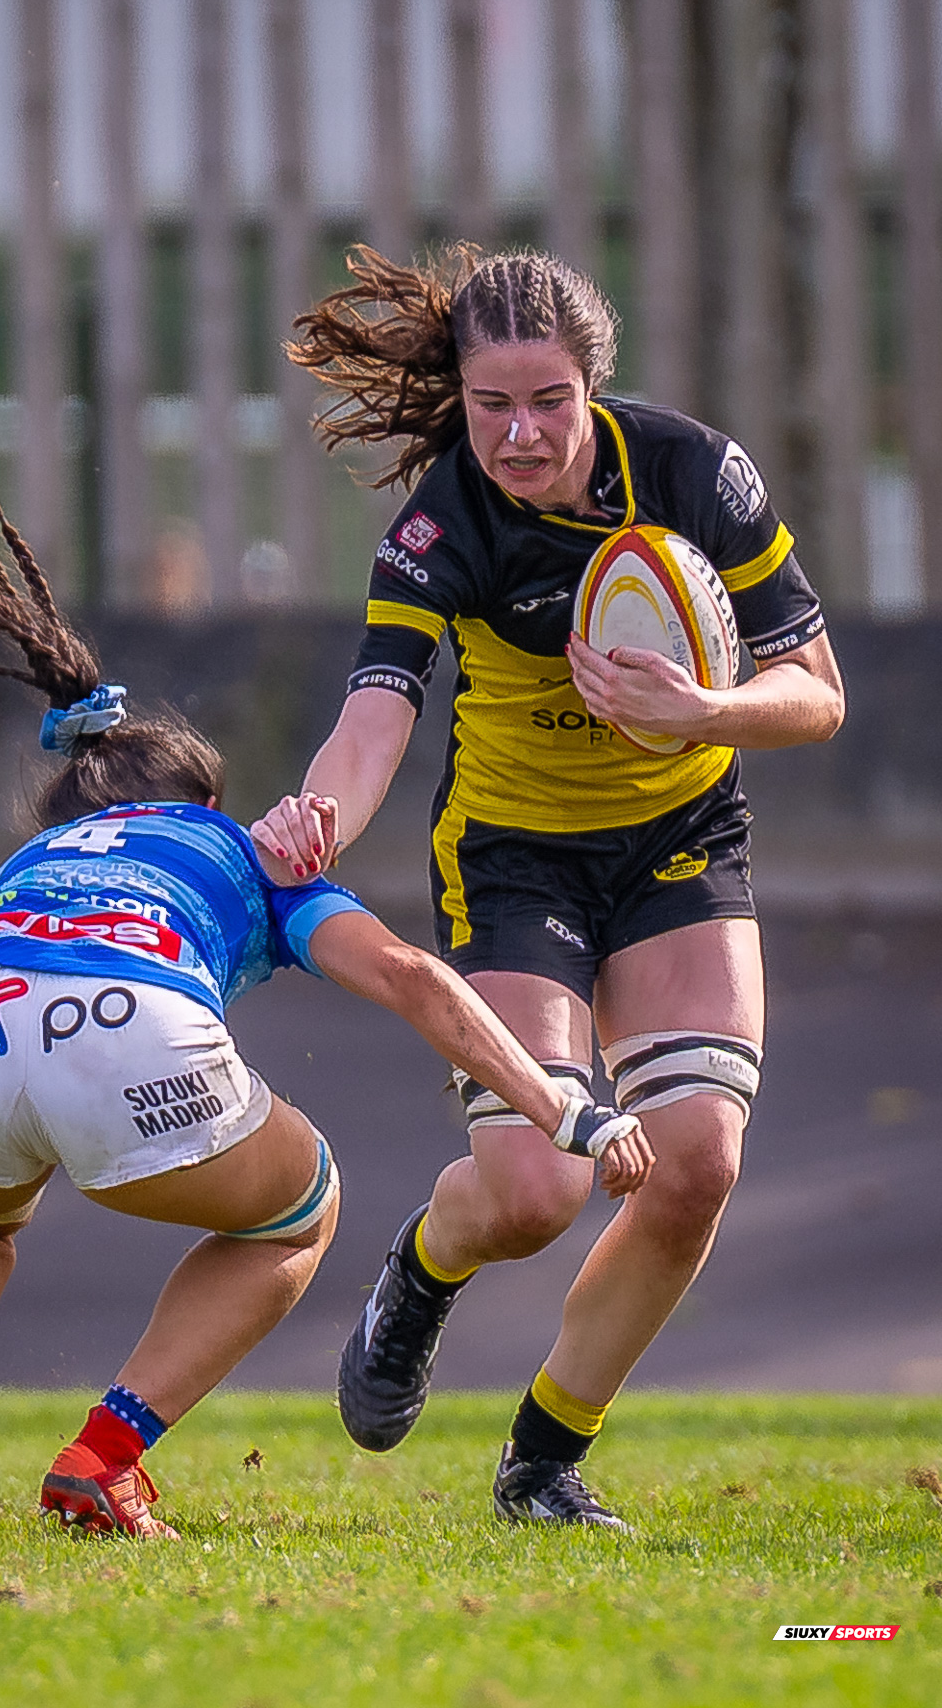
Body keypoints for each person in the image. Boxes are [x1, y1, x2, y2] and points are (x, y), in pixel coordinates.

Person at [0, 468, 652, 1542]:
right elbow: (405, 974)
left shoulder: (25, 866)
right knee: (297, 1211)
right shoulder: (243, 847)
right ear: (201, 799)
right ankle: (103, 1457)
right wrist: (557, 1105)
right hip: (126, 1031)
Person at [251, 246, 845, 1530]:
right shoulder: (439, 527)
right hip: (513, 859)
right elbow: (373, 721)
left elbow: (817, 694)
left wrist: (704, 708)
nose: (518, 434)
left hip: (680, 838)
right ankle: (421, 1268)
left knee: (693, 1163)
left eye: (547, 401)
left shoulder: (695, 472)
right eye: (489, 405)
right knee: (532, 1191)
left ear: (593, 388)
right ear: (457, 401)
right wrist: (318, 818)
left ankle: (540, 1464)